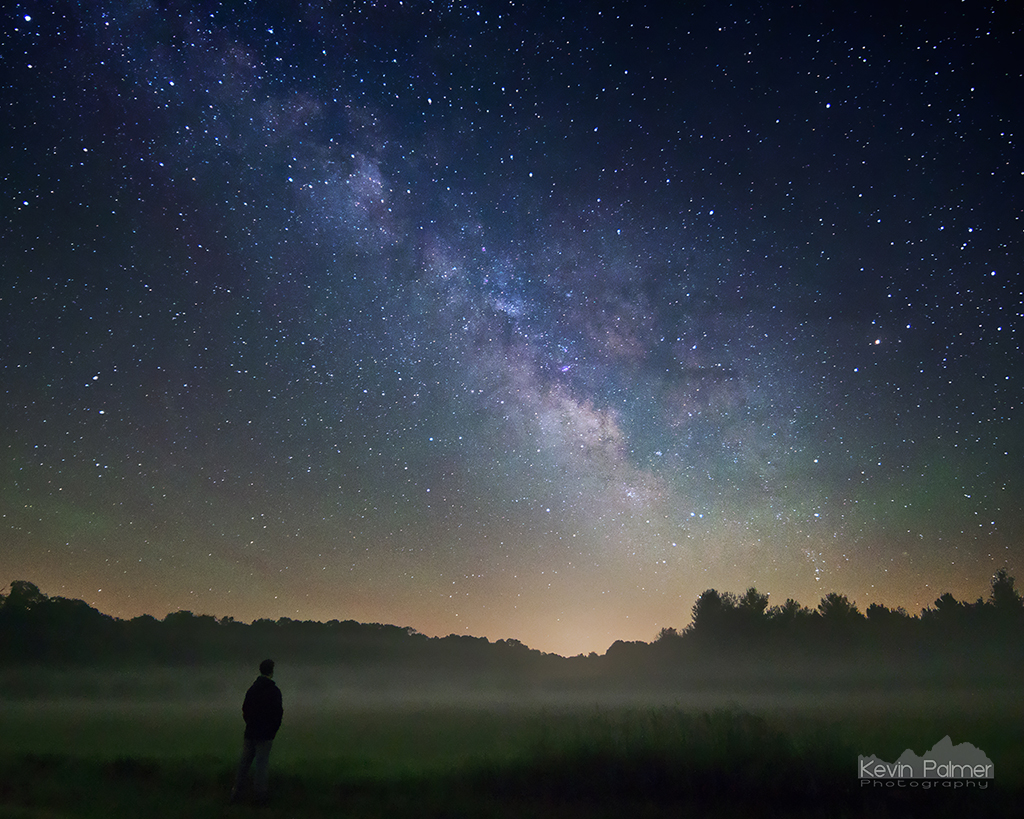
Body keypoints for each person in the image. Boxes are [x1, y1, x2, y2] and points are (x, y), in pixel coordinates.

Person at [230, 659, 284, 804]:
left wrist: (250, 724)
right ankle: (260, 796)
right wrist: (272, 730)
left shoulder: (252, 689)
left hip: (250, 732)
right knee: (261, 766)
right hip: (265, 735)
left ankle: (236, 794)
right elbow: (278, 714)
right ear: (271, 672)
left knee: (244, 764)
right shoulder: (274, 691)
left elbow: (245, 709)